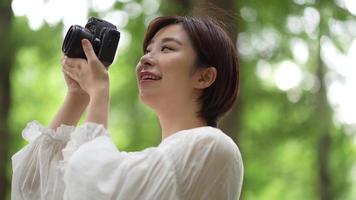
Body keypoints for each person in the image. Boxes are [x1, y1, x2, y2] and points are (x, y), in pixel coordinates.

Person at [11, 15, 243, 200]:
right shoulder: (140, 165)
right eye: (148, 50)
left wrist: (99, 93)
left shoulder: (212, 145)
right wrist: (78, 95)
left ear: (204, 77)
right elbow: (32, 186)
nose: (146, 59)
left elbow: (97, 189)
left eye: (167, 49)